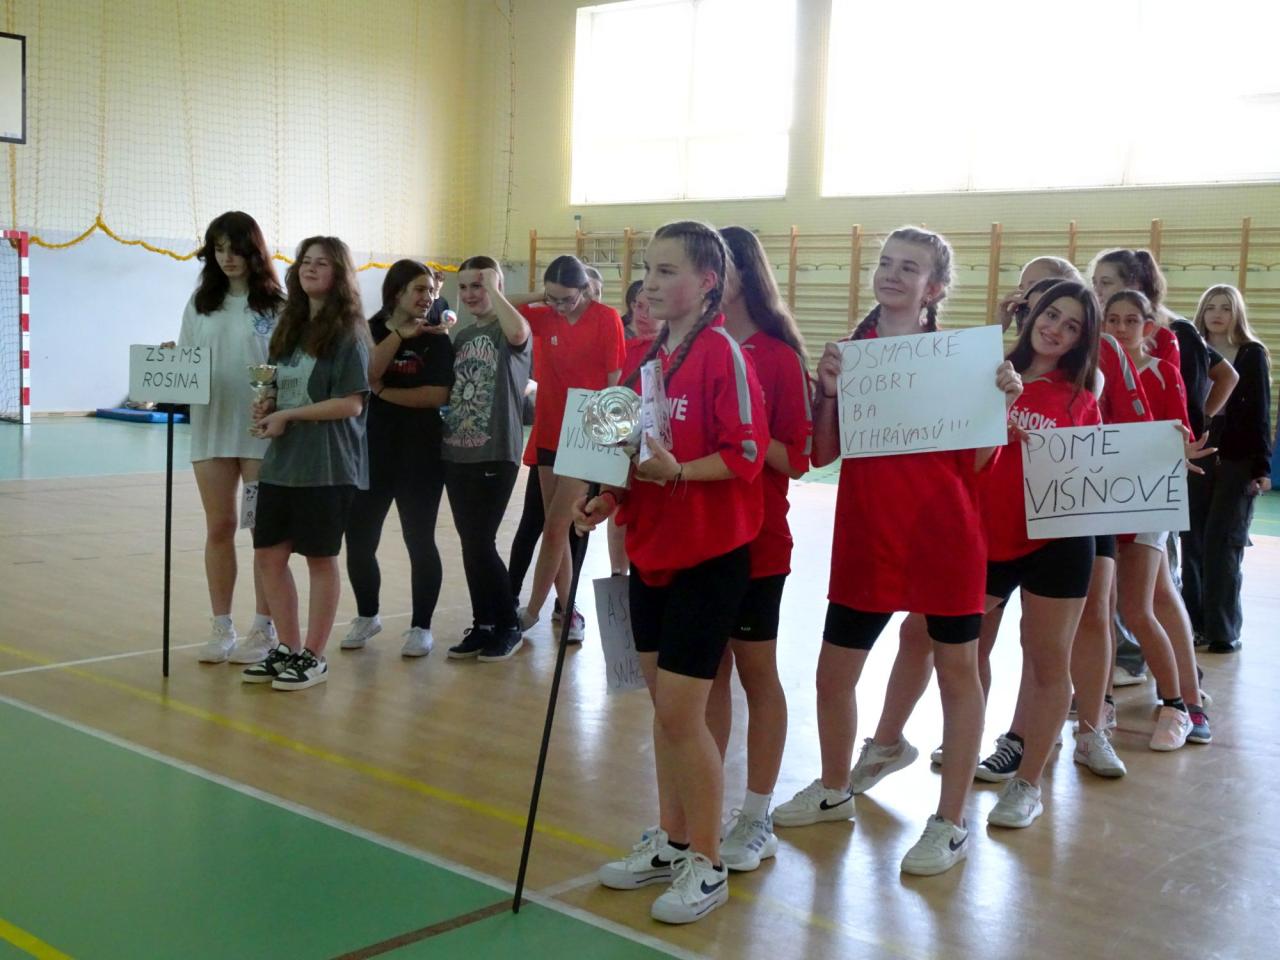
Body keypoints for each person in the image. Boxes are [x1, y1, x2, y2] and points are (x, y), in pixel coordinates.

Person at [774, 226, 1022, 877]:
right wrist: (828, 392)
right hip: (868, 536)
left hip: (946, 538)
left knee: (958, 674)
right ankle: (834, 788)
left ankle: (950, 821)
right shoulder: (851, 355)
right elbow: (822, 454)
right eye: (886, 263)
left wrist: (997, 403)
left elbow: (979, 462)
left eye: (909, 267)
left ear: (934, 288)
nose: (891, 273)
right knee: (834, 674)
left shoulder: (960, 360)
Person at [577, 220, 767, 924]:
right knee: (665, 712)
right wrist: (605, 499)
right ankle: (671, 839)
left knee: (684, 716)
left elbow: (746, 454)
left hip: (709, 560)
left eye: (666, 272)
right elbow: (622, 452)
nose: (650, 284)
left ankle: (708, 863)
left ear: (707, 282)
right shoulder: (641, 362)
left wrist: (679, 472)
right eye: (648, 271)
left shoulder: (723, 355)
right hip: (650, 554)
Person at [976, 281, 1103, 827]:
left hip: (1059, 541)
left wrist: (1162, 456)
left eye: (1072, 326)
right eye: (1052, 315)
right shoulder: (990, 373)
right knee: (961, 651)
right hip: (989, 536)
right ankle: (964, 746)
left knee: (1049, 658)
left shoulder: (1080, 398)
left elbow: (1098, 469)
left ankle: (1028, 784)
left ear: (1080, 340)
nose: (1056, 330)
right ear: (1032, 315)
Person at [706, 226, 812, 871]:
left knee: (755, 672)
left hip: (758, 541)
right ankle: (701, 810)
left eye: (718, 265)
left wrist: (739, 430)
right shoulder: (687, 348)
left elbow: (797, 458)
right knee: (706, 677)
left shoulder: (777, 357)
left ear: (743, 272)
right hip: (696, 541)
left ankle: (756, 814)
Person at [241, 237, 370, 690]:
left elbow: (351, 404)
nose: (310, 269)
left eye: (322, 263)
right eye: (305, 262)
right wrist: (269, 406)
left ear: (339, 274)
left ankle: (314, 656)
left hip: (328, 466)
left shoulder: (349, 334)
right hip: (282, 464)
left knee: (319, 558)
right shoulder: (289, 328)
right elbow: (280, 388)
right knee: (268, 555)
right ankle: (288, 648)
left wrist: (289, 415)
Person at [173, 211, 284, 666]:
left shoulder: (277, 305)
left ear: (253, 251)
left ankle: (264, 626)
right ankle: (222, 625)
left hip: (261, 433)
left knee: (262, 531)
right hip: (212, 427)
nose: (226, 257)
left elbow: (289, 366)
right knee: (219, 526)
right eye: (218, 249)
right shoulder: (201, 303)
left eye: (235, 249)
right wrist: (171, 363)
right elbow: (186, 360)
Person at [1103, 289, 1208, 747]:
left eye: (1131, 320)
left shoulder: (1163, 371)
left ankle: (1179, 704)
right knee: (1104, 609)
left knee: (1137, 607)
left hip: (1148, 499)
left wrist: (1181, 451)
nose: (1121, 327)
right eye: (1112, 319)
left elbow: (1179, 431)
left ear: (1148, 326)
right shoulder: (1093, 373)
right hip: (1101, 501)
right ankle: (1100, 700)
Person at [341, 261, 455, 657]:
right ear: (397, 293)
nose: (428, 297)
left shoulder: (437, 338)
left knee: (419, 539)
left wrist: (385, 393)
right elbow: (366, 375)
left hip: (421, 455)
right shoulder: (369, 329)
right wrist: (399, 336)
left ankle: (421, 626)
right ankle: (367, 615)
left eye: (431, 291)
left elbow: (436, 395)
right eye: (419, 290)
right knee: (359, 539)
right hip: (371, 453)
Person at [513, 256, 625, 643]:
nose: (560, 306)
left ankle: (530, 612)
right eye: (553, 298)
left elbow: (613, 382)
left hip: (586, 429)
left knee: (556, 527)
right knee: (554, 528)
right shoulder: (546, 315)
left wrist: (606, 442)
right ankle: (568, 608)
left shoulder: (606, 319)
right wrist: (541, 296)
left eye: (567, 298)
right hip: (548, 429)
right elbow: (500, 304)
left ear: (584, 290)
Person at [440, 256, 532, 663]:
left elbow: (518, 331)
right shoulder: (462, 336)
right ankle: (484, 624)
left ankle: (509, 624)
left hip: (496, 450)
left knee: (481, 540)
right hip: (457, 451)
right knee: (470, 543)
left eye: (477, 285)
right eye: (464, 287)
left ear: (495, 286)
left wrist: (494, 287)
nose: (470, 294)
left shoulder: (508, 330)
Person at [1191, 285, 1272, 653]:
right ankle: (1193, 625)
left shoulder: (1251, 353)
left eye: (1225, 308)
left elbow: (1259, 411)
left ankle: (1222, 630)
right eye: (1210, 307)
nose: (1217, 314)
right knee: (1191, 541)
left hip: (1237, 456)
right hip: (1197, 449)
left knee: (1223, 543)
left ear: (1236, 313)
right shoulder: (1192, 348)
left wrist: (1261, 467)